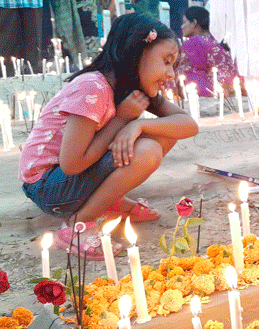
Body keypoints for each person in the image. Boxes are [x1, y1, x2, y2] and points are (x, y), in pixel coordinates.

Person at [19, 14, 199, 260]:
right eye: (166, 61)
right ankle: (77, 225)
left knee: (161, 134)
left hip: (70, 178)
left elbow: (188, 125)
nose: (170, 74)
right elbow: (72, 164)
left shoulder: (133, 89)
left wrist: (138, 127)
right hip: (48, 186)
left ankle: (109, 202)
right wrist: (122, 120)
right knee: (147, 151)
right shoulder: (92, 87)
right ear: (136, 53)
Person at [180, 6, 239, 97]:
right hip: (234, 88)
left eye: (184, 22)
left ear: (194, 23)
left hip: (213, 91)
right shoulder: (217, 39)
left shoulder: (194, 42)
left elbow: (186, 72)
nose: (181, 26)